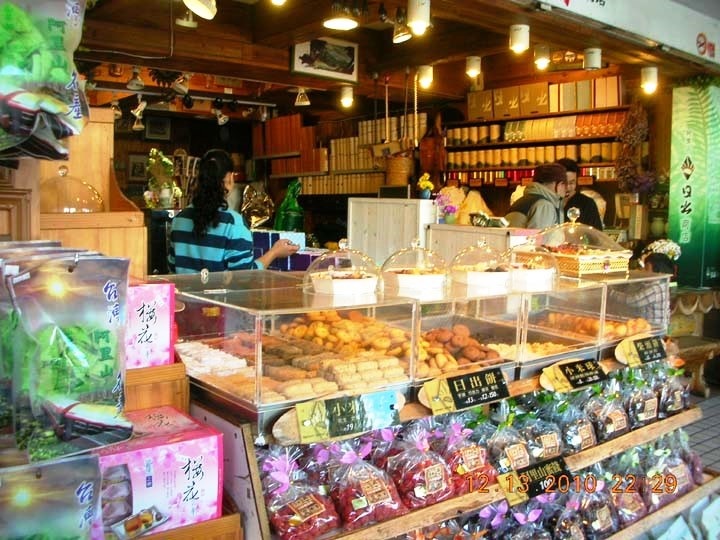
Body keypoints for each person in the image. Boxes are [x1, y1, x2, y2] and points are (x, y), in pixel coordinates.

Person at [168, 149, 298, 274]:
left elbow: (172, 267)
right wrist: (274, 252)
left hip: (184, 291)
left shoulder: (179, 220)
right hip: (220, 292)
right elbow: (244, 276)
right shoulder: (234, 223)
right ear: (230, 178)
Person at [609, 252, 674, 331]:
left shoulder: (656, 288)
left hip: (654, 329)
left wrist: (611, 293)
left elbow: (634, 300)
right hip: (650, 327)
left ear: (658, 272)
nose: (643, 271)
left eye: (646, 268)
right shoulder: (656, 284)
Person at [504, 163, 567, 229]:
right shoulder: (544, 206)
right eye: (565, 184)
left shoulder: (521, 201)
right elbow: (540, 235)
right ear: (560, 184)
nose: (566, 189)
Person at [556, 158, 604, 230]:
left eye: (571, 183)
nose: (568, 187)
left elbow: (596, 233)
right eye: (563, 183)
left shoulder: (587, 204)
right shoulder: (549, 204)